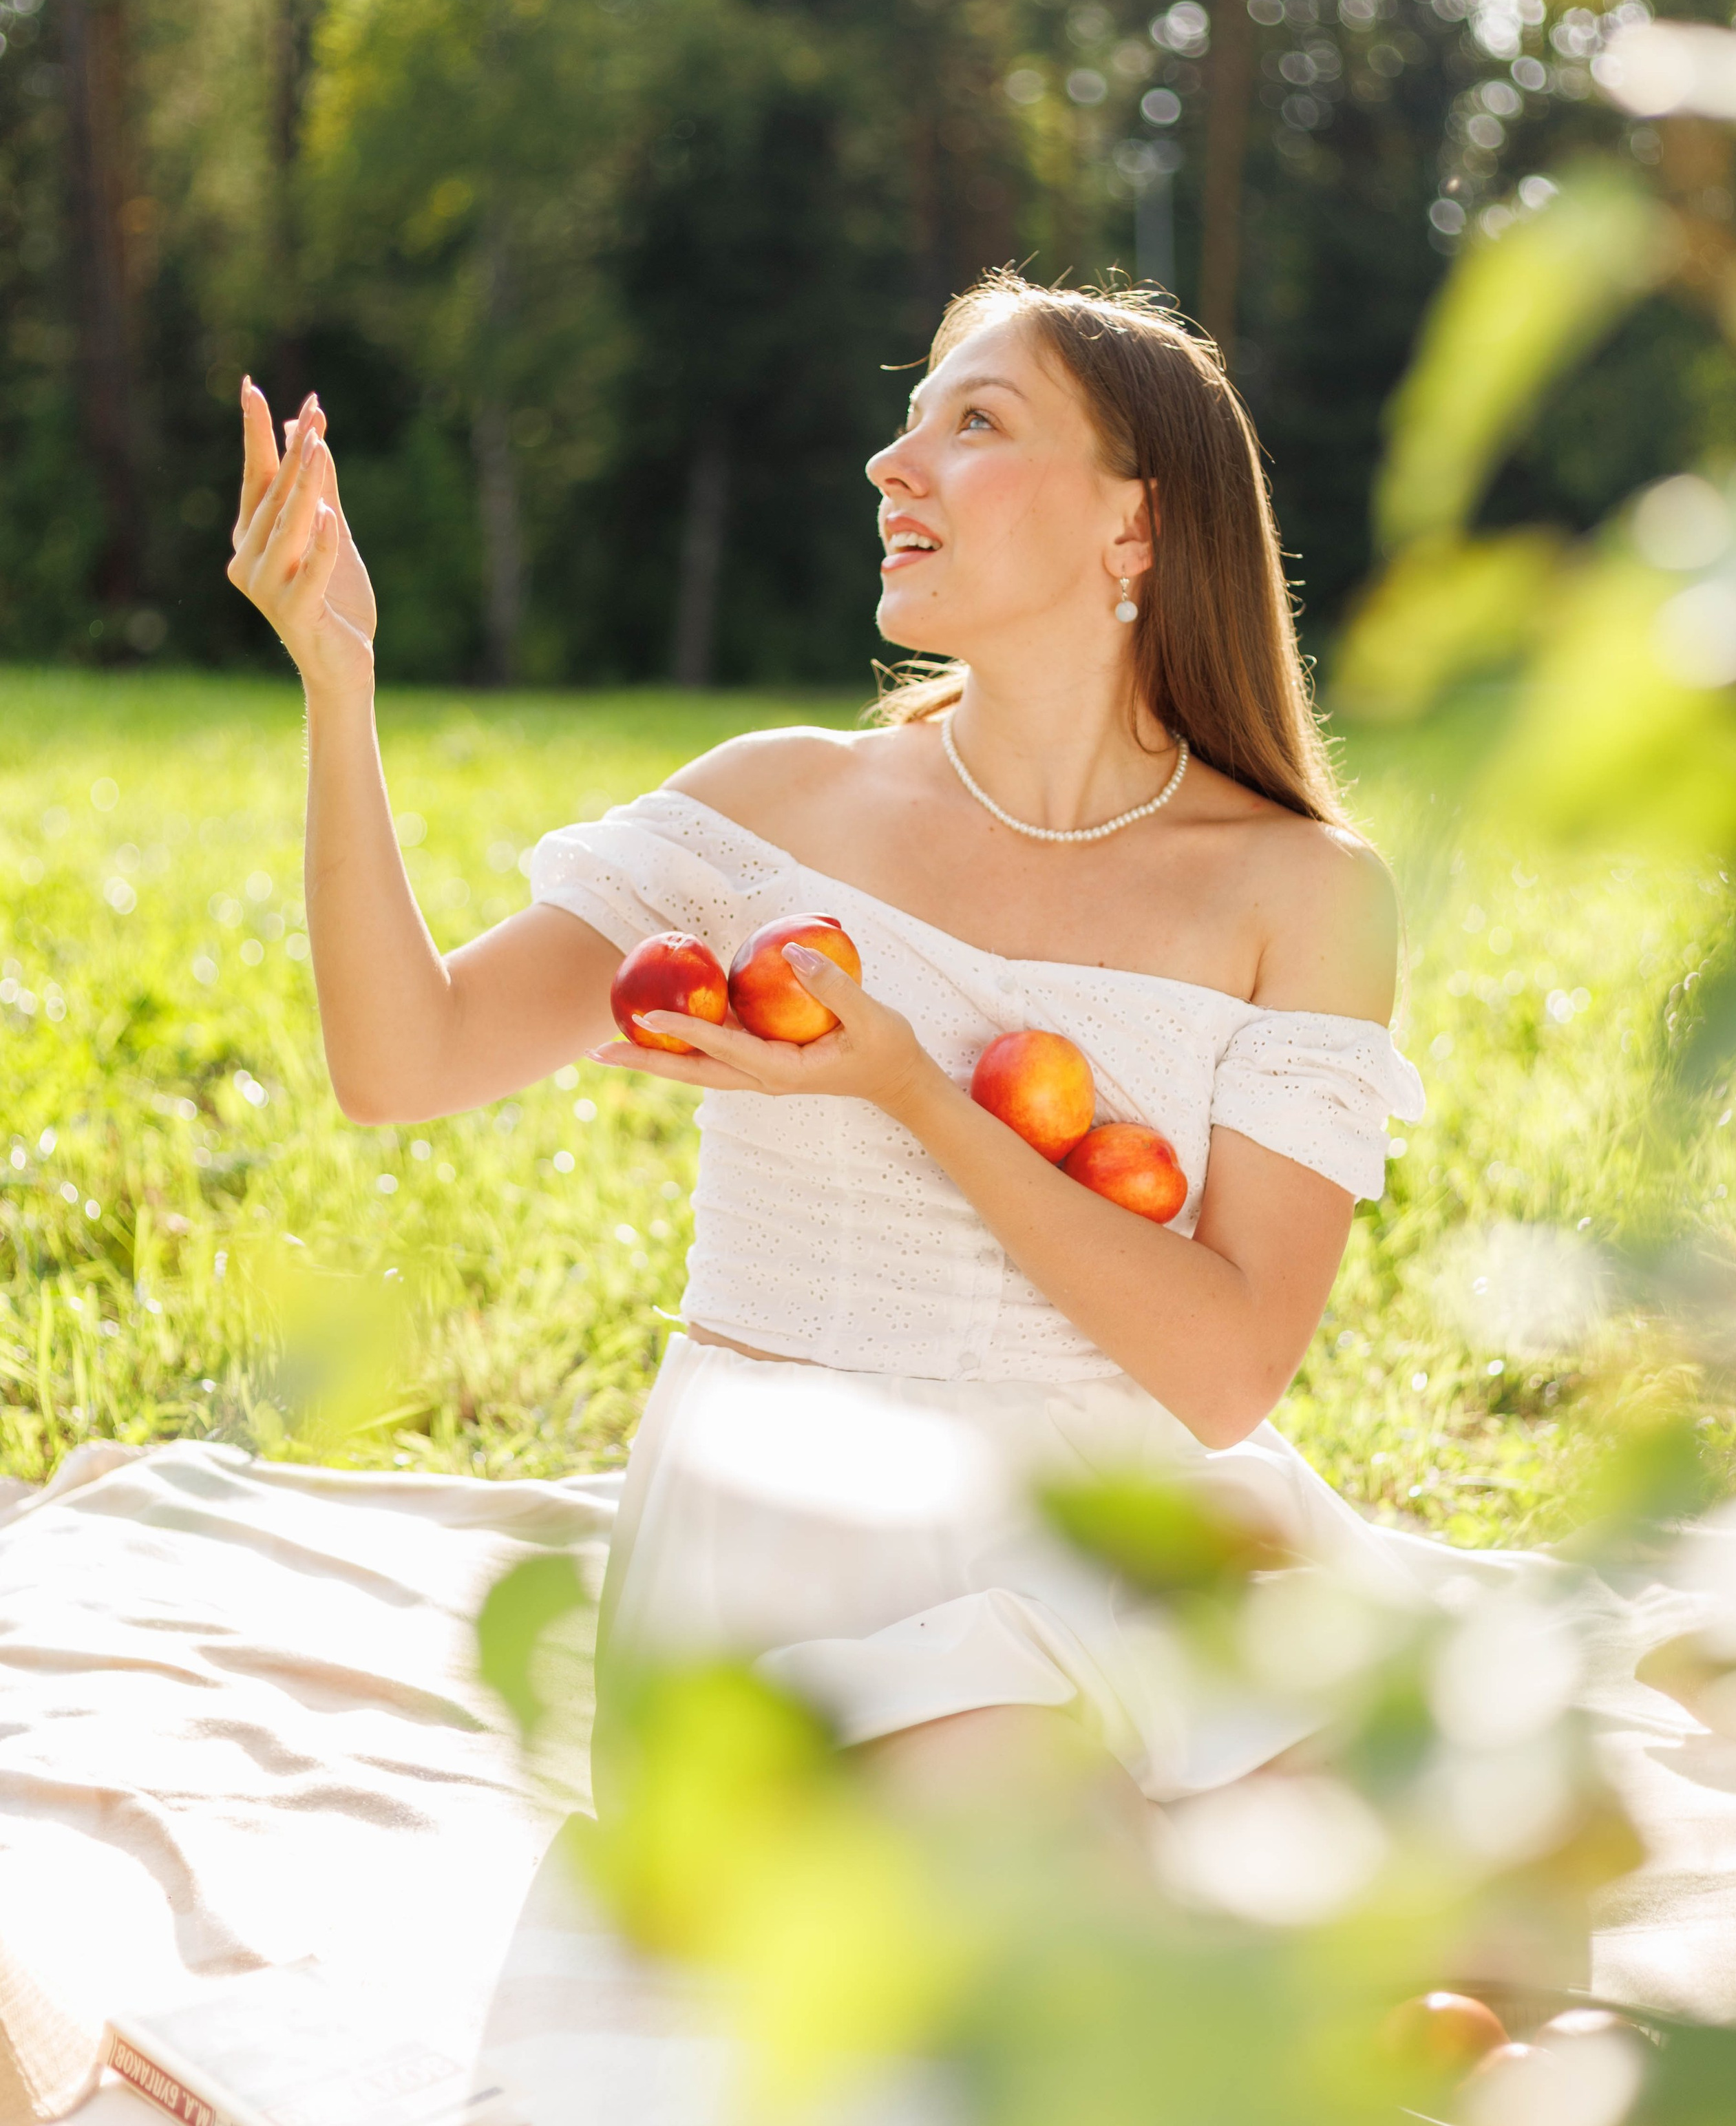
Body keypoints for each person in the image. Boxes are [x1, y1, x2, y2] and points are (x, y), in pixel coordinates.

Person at [228, 270, 1428, 1804]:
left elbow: (1222, 1377)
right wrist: (341, 680)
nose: (890, 463)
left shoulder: (1302, 891)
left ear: (1132, 527)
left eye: (974, 421)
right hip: (801, 1563)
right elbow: (406, 1061)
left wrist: (912, 1092)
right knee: (1058, 1888)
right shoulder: (770, 814)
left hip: (1125, 1526)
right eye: (903, 420)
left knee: (1467, 1909)